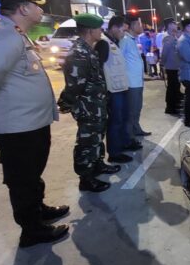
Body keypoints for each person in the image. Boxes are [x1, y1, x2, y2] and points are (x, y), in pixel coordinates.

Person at [0, 0, 68, 248]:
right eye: (36, 5)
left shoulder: (15, 34)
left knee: (31, 173)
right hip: (16, 126)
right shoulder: (3, 37)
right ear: (23, 8)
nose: (40, 9)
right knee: (22, 178)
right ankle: (31, 230)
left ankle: (38, 211)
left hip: (28, 122)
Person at [58, 13, 119, 194]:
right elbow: (74, 85)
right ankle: (86, 178)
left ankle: (97, 165)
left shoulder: (88, 49)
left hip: (96, 106)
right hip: (87, 107)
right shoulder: (78, 53)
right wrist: (66, 103)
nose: (102, 31)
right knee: (87, 142)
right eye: (99, 28)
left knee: (96, 139)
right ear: (91, 30)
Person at [94, 16, 138, 162]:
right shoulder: (103, 43)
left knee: (123, 118)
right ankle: (114, 153)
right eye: (122, 30)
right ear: (113, 27)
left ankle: (124, 144)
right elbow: (98, 68)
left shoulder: (114, 42)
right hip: (113, 91)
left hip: (121, 88)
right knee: (115, 121)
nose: (123, 33)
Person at [121, 16, 151, 143]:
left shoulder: (133, 40)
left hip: (138, 81)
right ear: (132, 26)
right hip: (131, 83)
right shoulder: (125, 40)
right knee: (131, 110)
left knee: (137, 108)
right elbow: (120, 60)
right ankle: (129, 137)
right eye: (139, 24)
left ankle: (136, 128)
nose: (141, 26)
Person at [160, 18, 182, 115]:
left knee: (175, 86)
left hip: (175, 66)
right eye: (174, 24)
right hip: (170, 66)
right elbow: (164, 53)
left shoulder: (172, 36)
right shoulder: (167, 37)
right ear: (169, 25)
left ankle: (175, 103)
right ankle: (170, 107)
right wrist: (162, 63)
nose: (175, 25)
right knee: (171, 88)